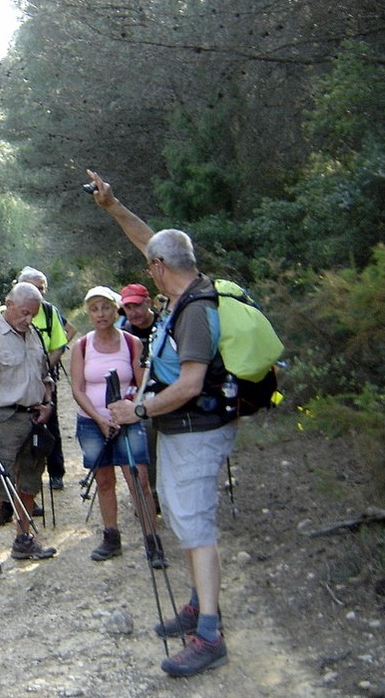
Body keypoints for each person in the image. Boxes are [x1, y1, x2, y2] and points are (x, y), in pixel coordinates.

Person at [88, 168, 235, 677]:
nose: (147, 265)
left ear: (158, 268)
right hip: (181, 431)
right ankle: (198, 603)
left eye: (150, 262)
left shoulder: (194, 309)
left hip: (198, 429)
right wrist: (113, 206)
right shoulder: (183, 289)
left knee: (194, 523)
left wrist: (140, 410)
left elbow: (192, 383)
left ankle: (209, 632)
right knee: (180, 513)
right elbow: (148, 238)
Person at [0, 282, 58, 573]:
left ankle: (23, 539)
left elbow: (45, 376)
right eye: (25, 312)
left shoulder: (34, 337)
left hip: (33, 420)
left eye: (33, 314)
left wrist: (48, 403)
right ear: (10, 304)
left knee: (30, 481)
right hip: (2, 420)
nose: (28, 319)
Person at [70, 286, 165, 568]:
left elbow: (140, 383)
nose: (100, 314)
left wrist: (128, 411)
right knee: (104, 481)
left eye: (105, 308)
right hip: (91, 422)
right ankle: (111, 537)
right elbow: (77, 389)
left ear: (115, 310)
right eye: (94, 309)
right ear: (89, 313)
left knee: (139, 480)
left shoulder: (131, 342)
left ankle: (153, 540)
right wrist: (99, 419)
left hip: (127, 421)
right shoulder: (82, 346)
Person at [15, 266, 75, 491]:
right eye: (34, 288)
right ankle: (24, 481)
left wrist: (42, 368)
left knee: (49, 425)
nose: (39, 293)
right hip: (14, 382)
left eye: (42, 289)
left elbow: (60, 343)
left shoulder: (49, 311)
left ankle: (56, 472)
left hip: (44, 379)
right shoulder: (6, 310)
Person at [118, 282, 161, 507]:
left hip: (169, 393)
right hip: (139, 398)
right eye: (128, 308)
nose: (133, 312)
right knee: (146, 441)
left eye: (136, 306)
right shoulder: (124, 334)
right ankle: (150, 494)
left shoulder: (165, 326)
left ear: (148, 302)